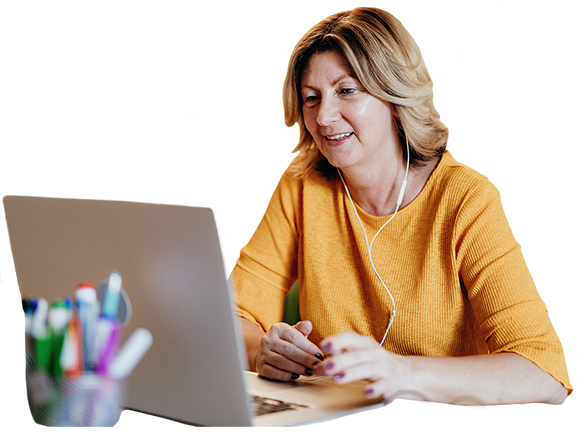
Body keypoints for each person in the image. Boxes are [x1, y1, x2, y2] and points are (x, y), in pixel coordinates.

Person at [231, 7, 574, 405]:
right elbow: (230, 318)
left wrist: (401, 372)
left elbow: (543, 374)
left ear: (392, 95)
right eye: (311, 98)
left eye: (347, 90)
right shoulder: (302, 188)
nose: (324, 116)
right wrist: (261, 350)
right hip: (332, 422)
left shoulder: (464, 199)